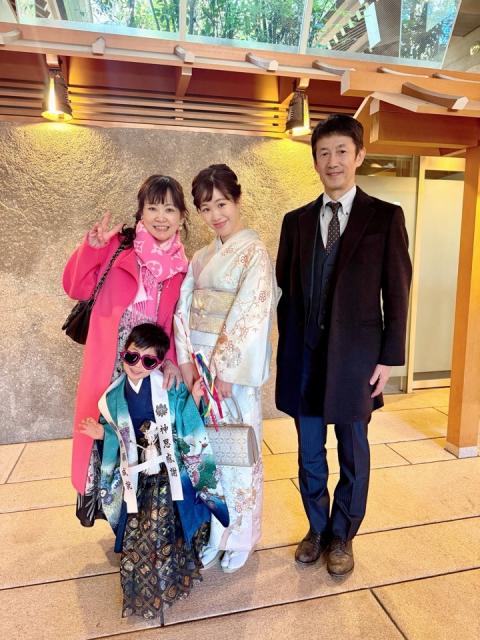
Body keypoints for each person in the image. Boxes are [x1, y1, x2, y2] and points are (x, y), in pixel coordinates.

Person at [275, 115, 412, 577]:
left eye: (341, 151)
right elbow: (286, 292)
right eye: (323, 153)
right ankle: (317, 528)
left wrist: (389, 356)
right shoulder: (295, 222)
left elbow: (397, 290)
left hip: (356, 360)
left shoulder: (384, 217)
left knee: (353, 451)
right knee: (310, 452)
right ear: (315, 161)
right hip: (305, 359)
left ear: (359, 156)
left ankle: (343, 535)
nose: (332, 161)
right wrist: (288, 349)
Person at [78, 323, 229, 621]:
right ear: (124, 353)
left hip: (167, 472)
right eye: (132, 357)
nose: (137, 366)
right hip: (136, 475)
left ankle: (169, 582)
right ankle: (146, 589)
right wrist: (102, 433)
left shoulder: (166, 387)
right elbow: (115, 432)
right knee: (140, 533)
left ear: (159, 363)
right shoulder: (112, 397)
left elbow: (185, 422)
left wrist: (194, 397)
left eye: (148, 361)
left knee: (166, 527)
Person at [63, 175, 189, 526]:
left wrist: (172, 361)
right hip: (110, 362)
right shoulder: (119, 247)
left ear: (181, 217)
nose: (161, 217)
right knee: (104, 429)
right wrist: (92, 248)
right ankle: (109, 510)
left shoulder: (182, 266)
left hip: (148, 366)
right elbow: (75, 288)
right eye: (153, 208)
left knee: (142, 436)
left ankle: (139, 519)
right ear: (141, 213)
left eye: (169, 209)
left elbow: (175, 322)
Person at [174, 164, 279, 573]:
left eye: (222, 204)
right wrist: (188, 364)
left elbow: (252, 314)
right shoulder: (201, 257)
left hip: (229, 377)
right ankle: (214, 533)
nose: (215, 215)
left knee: (238, 455)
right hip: (201, 372)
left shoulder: (254, 253)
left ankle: (241, 536)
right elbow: (184, 309)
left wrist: (226, 371)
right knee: (206, 456)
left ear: (237, 200)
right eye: (206, 208)